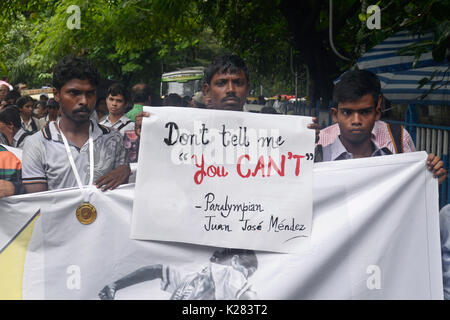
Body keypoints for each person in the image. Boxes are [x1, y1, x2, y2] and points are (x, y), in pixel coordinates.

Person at [21, 56, 130, 193]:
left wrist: (125, 172)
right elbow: (38, 202)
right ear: (56, 94)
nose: (84, 101)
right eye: (74, 93)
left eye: (90, 93)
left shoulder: (113, 138)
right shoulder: (37, 143)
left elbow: (121, 197)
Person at [315, 69, 447, 183]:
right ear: (334, 114)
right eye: (347, 112)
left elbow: (412, 193)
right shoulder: (317, 156)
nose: (356, 120)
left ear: (377, 112)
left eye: (365, 112)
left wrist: (430, 178)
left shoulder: (396, 145)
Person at [98, 248, 258, 300]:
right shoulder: (229, 273)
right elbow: (251, 298)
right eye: (247, 272)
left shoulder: (190, 278)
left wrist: (116, 285)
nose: (246, 277)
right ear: (235, 260)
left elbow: (155, 270)